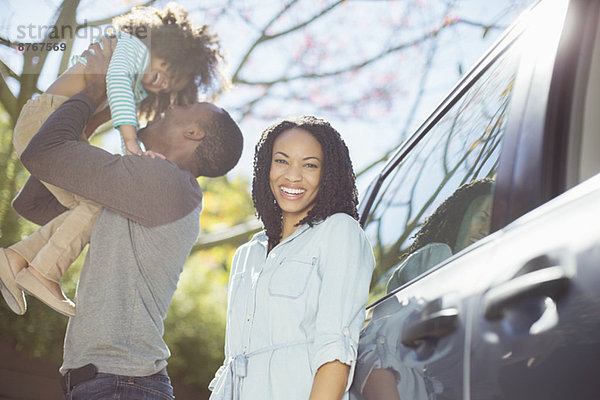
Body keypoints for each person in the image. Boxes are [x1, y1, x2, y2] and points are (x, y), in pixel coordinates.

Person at [0, 40, 243, 399]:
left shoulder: (164, 184)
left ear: (194, 134)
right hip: (111, 383)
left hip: (122, 384)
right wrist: (98, 111)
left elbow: (43, 152)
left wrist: (95, 88)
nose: (173, 104)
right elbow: (36, 202)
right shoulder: (143, 185)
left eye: (186, 106)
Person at [5, 3, 223, 316]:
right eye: (164, 70)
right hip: (46, 118)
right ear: (159, 45)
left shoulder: (141, 90)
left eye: (170, 84)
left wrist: (132, 155)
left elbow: (117, 118)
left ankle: (15, 259)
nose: (160, 81)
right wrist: (131, 142)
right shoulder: (132, 46)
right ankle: (42, 273)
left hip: (64, 130)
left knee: (96, 202)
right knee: (97, 202)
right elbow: (117, 87)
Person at [208, 117, 375, 400]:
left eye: (310, 165)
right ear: (266, 168)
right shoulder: (247, 255)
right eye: (282, 161)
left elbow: (335, 349)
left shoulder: (339, 231)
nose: (293, 176)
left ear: (328, 173)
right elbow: (231, 363)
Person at [386, 178, 494, 292]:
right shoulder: (437, 253)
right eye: (482, 217)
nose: (486, 231)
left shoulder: (474, 272)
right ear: (460, 217)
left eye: (493, 224)